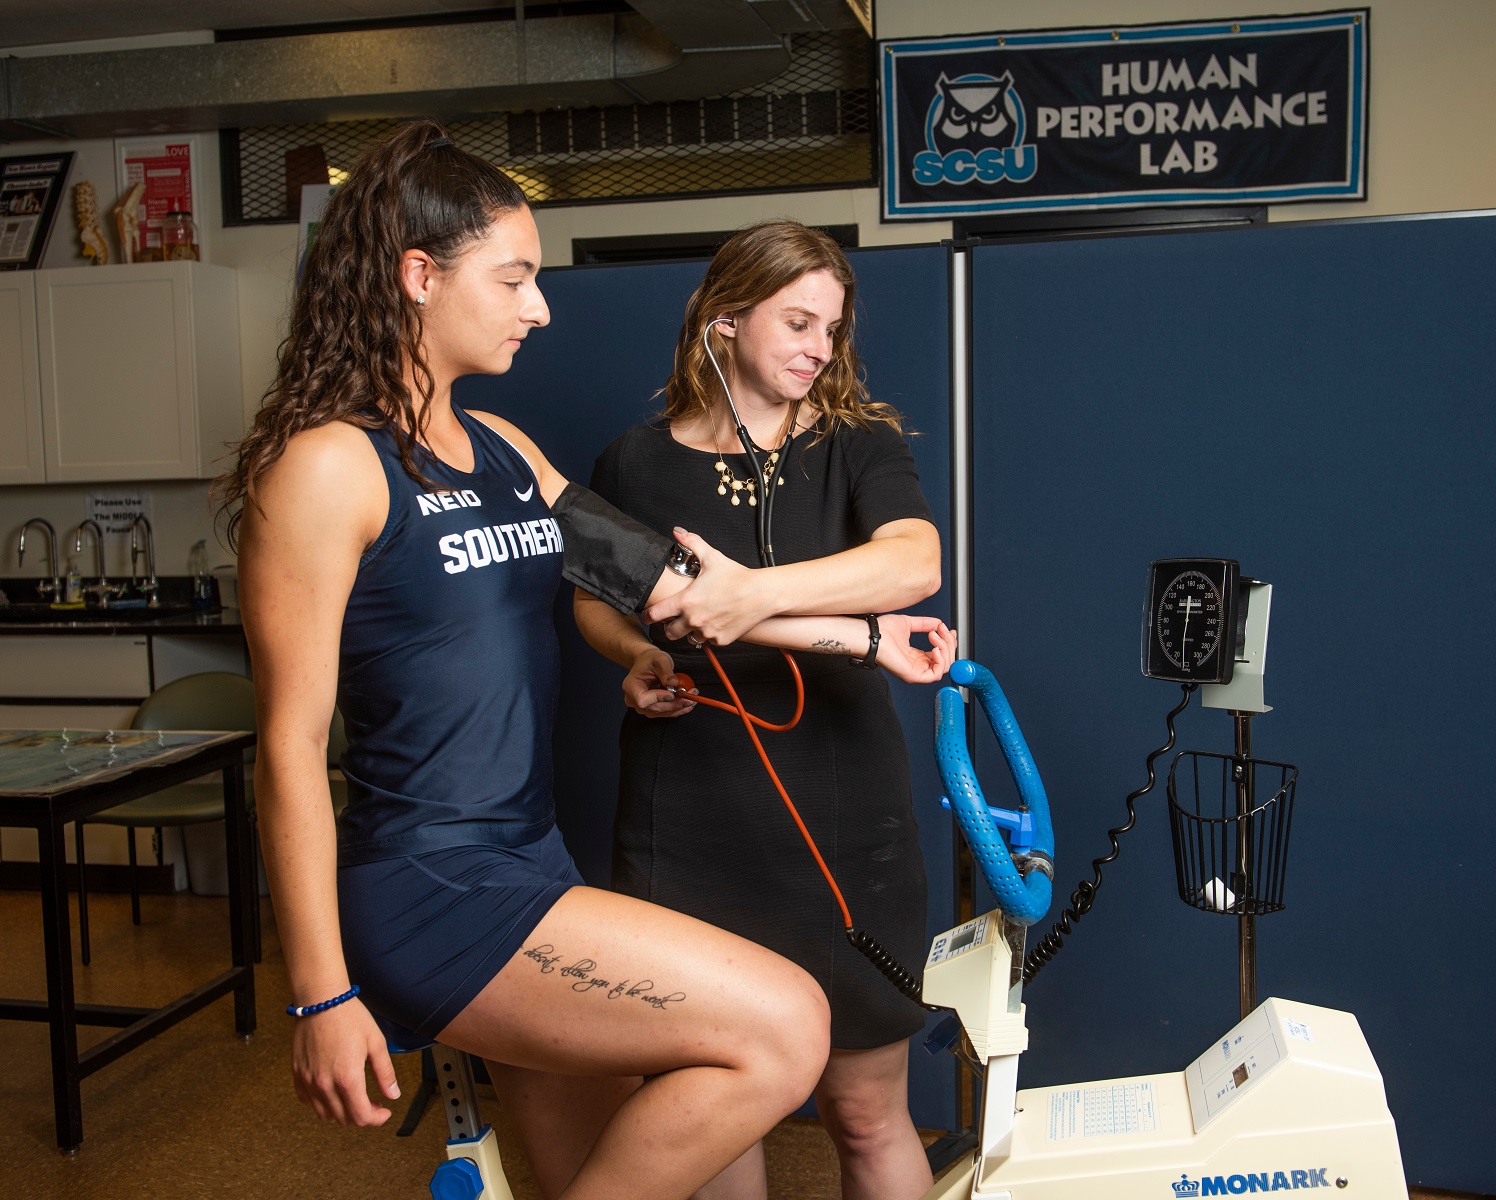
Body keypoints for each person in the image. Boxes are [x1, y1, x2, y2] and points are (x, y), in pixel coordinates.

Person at [215, 124, 955, 1200]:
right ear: (418, 277)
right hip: (431, 883)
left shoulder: (505, 450)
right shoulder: (329, 468)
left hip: (531, 859)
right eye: (513, 278)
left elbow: (671, 589)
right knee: (786, 1026)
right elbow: (284, 749)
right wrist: (319, 995)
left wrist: (868, 637)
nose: (539, 307)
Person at [574, 220, 947, 1200]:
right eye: (797, 321)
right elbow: (590, 597)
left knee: (865, 1112)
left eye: (832, 328)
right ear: (723, 321)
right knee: (714, 1109)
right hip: (688, 822)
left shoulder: (857, 445)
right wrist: (638, 652)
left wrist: (753, 596)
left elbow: (914, 563)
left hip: (844, 818)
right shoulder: (637, 460)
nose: (819, 348)